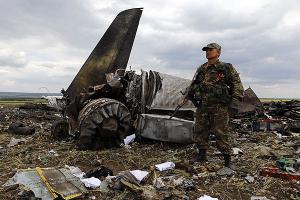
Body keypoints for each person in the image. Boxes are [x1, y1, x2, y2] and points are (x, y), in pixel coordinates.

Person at [187, 43, 244, 167]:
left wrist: (234, 102)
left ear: (218, 52)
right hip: (203, 106)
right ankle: (202, 156)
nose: (207, 52)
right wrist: (191, 94)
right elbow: (195, 84)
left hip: (220, 107)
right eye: (206, 50)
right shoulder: (201, 68)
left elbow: (237, 84)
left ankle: (227, 160)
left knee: (221, 132)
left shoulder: (225, 67)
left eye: (210, 50)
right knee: (200, 131)